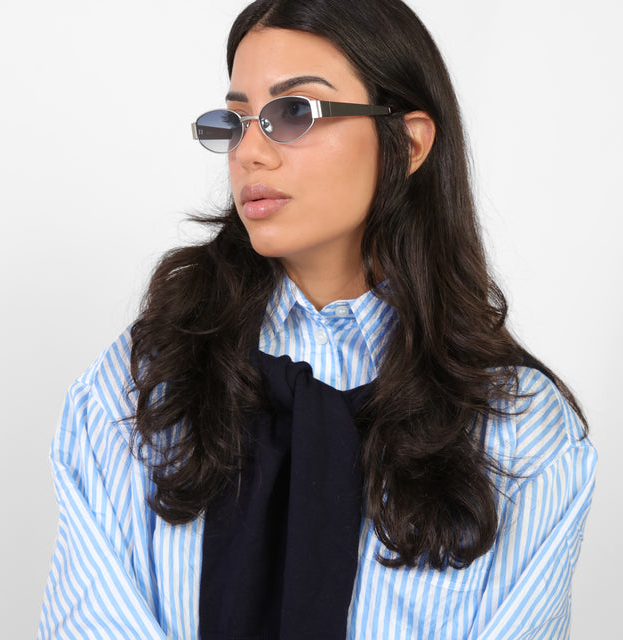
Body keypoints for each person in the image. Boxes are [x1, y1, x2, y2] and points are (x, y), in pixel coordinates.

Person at [38, 0, 597, 638]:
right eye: (238, 119)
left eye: (293, 112)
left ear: (408, 143)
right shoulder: (141, 386)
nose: (249, 151)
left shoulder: (521, 430)